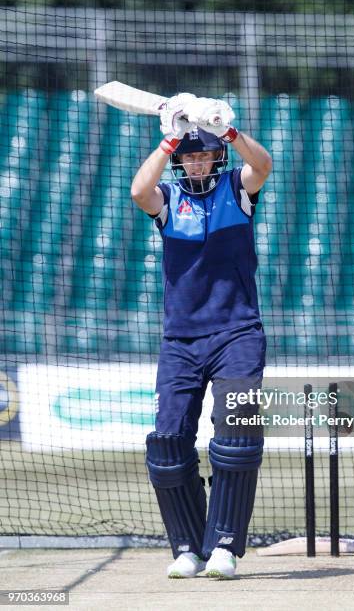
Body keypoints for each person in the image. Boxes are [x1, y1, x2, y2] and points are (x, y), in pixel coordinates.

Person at [131, 93, 272, 579]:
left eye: (202, 152)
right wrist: (172, 137)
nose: (195, 161)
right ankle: (188, 548)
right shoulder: (168, 200)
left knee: (235, 436)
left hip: (237, 334)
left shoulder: (237, 188)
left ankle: (225, 547)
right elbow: (137, 191)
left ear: (216, 156)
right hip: (181, 341)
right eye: (188, 155)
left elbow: (265, 164)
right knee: (167, 443)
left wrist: (226, 130)